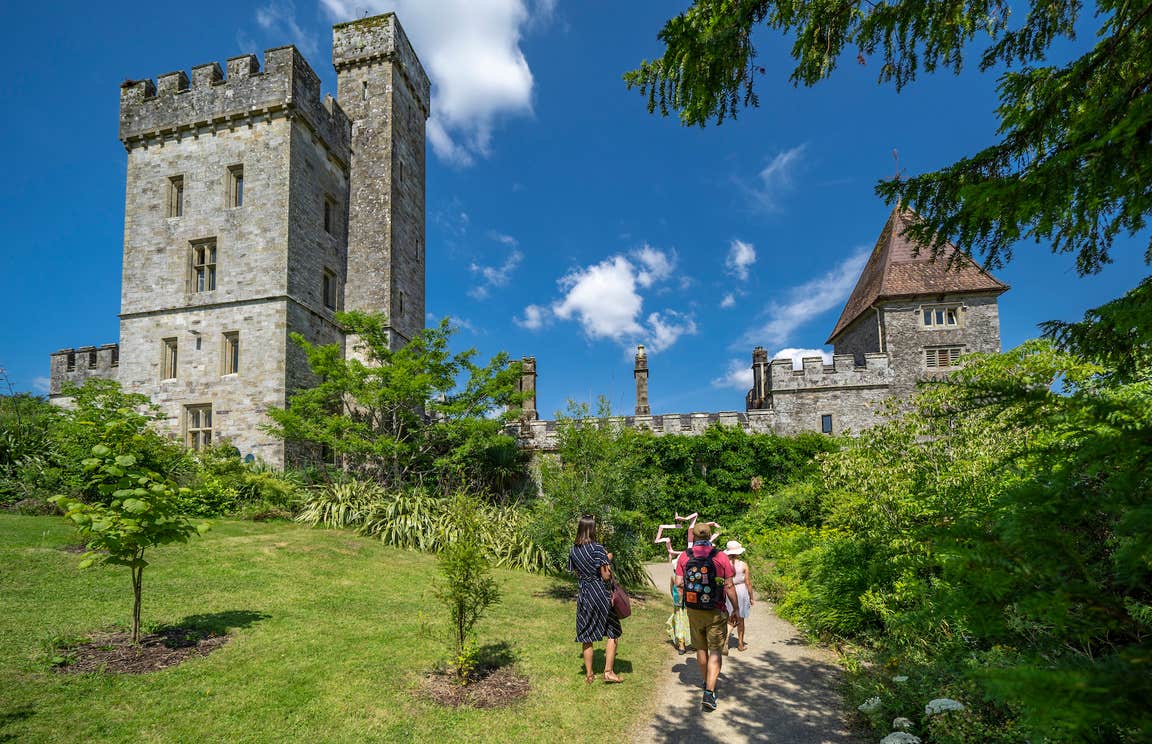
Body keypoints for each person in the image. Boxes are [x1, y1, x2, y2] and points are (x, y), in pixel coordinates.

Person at [675, 523, 738, 712]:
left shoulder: (685, 556)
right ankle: (709, 691)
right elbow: (729, 586)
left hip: (694, 609)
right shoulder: (720, 556)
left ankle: (706, 681)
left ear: (693, 536)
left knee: (701, 648)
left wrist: (681, 605)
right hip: (716, 610)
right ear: (710, 535)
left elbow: (679, 583)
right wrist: (735, 609)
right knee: (716, 650)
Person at [568, 514, 623, 684]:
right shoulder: (598, 548)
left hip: (584, 593)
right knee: (613, 631)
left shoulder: (573, 550)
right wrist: (608, 559)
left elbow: (576, 572)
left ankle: (589, 674)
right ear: (592, 529)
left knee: (586, 634)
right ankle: (608, 672)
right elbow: (606, 576)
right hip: (599, 593)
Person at [724, 540, 754, 652]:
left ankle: (725, 639)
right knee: (740, 619)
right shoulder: (743, 565)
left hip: (729, 590)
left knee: (730, 617)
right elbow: (748, 582)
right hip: (741, 591)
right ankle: (740, 644)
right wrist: (751, 597)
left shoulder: (725, 564)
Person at [666, 573, 689, 654]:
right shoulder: (675, 576)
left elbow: (672, 589)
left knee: (682, 623)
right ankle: (682, 644)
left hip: (682, 604)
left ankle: (684, 643)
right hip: (682, 605)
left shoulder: (673, 576)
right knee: (682, 623)